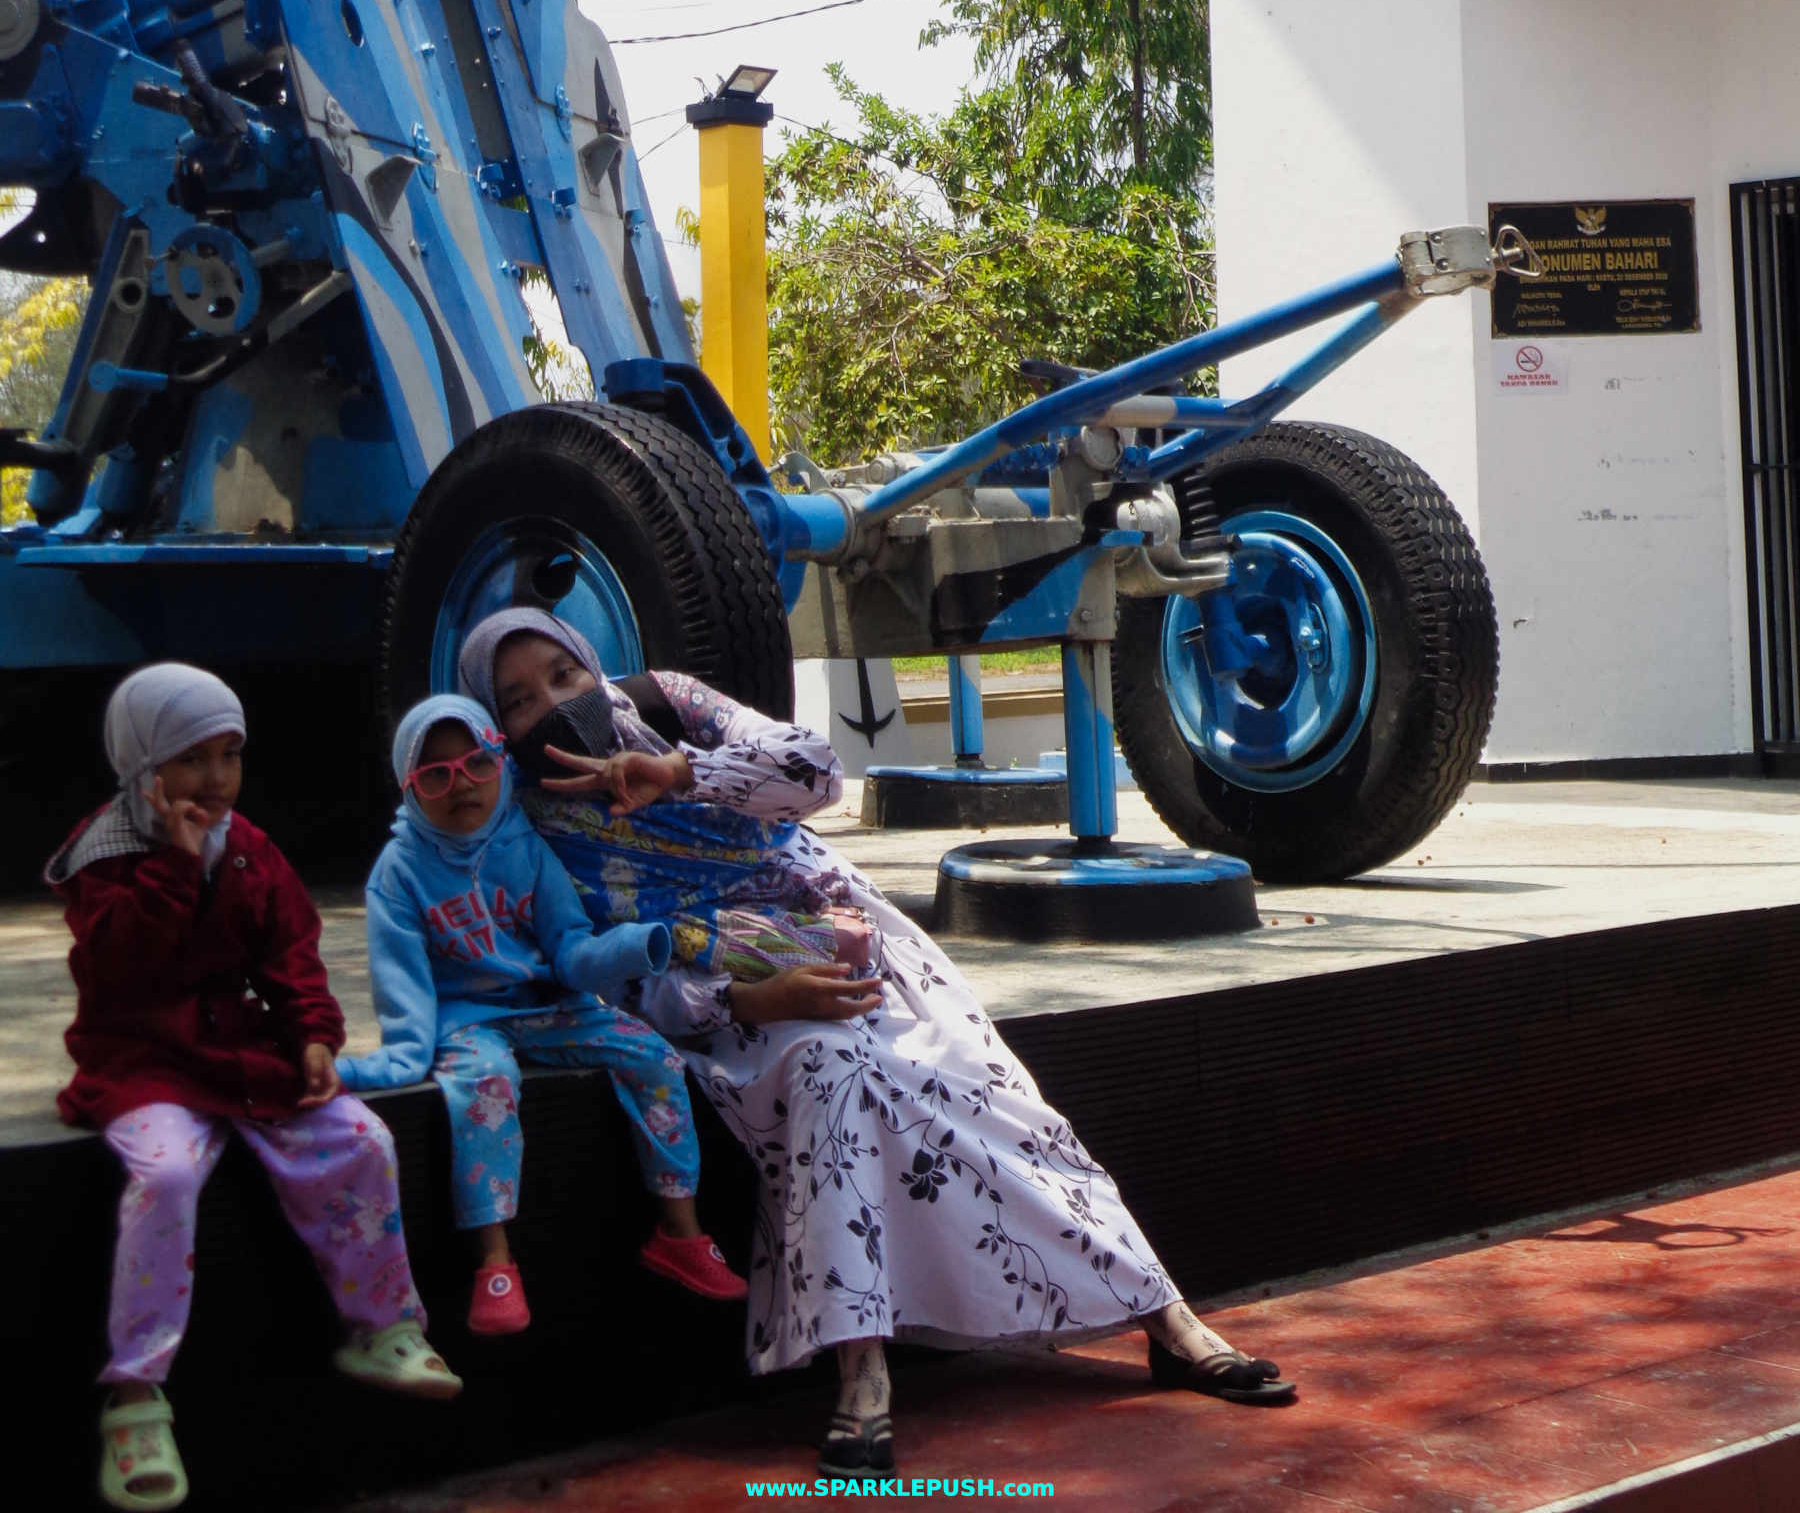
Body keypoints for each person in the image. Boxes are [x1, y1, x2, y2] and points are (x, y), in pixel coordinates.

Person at [458, 610, 1296, 1483]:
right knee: (831, 1068)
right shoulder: (537, 832)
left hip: (842, 930)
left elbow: (815, 772)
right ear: (499, 729)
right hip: (727, 986)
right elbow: (608, 972)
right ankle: (862, 1374)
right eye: (518, 701)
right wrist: (754, 996)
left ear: (594, 667)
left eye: (564, 675)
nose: (554, 705)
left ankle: (1169, 1321)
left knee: (982, 1086)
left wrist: (678, 773)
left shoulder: (669, 704)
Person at [46, 664, 460, 1513]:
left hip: (245, 1057)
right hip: (144, 1062)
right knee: (163, 1176)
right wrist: (171, 864)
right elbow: (121, 971)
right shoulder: (104, 855)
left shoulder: (250, 847)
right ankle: (136, 1395)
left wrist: (314, 1034)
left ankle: (381, 1325)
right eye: (191, 759)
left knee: (361, 1140)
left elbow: (292, 953)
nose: (215, 778)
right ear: (141, 766)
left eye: (229, 754)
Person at [336, 695, 748, 1337]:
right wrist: (391, 1062)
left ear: (500, 760)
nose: (462, 785)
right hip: (467, 1021)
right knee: (485, 1089)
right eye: (435, 775)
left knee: (654, 1056)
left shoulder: (524, 846)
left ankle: (680, 1230)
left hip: (552, 1004)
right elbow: (405, 990)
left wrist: (635, 946)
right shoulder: (399, 874)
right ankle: (494, 1263)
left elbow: (571, 951)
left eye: (477, 763)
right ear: (409, 790)